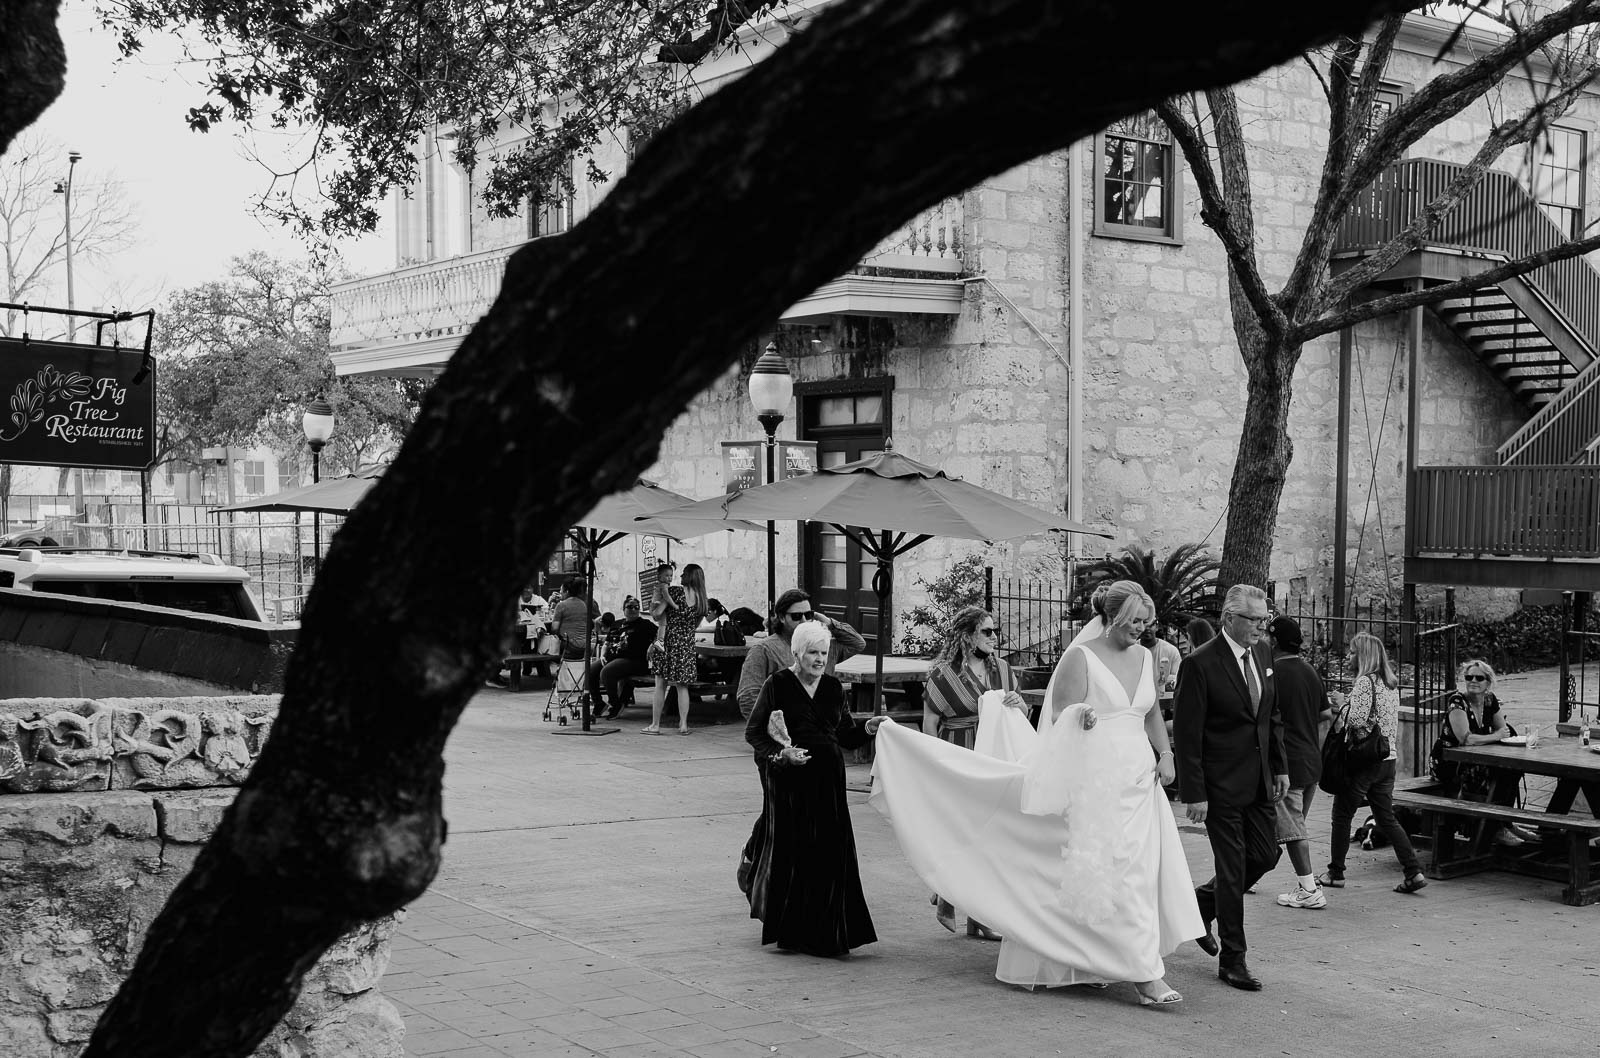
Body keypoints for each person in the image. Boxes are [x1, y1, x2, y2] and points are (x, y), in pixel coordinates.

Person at [868, 579, 1203, 1006]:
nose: (1141, 629)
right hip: (1094, 781)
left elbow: (1151, 710)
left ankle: (1096, 959)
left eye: (1146, 623)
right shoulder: (1080, 657)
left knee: (1134, 872)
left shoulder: (1143, 656)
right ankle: (1145, 974)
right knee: (1113, 870)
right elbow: (1058, 713)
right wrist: (1081, 717)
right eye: (1134, 621)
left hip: (1139, 781)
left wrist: (1166, 753)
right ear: (1112, 618)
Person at [743, 620, 886, 956]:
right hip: (790, 784)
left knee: (830, 855)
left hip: (829, 783)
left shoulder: (834, 689)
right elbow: (755, 733)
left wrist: (868, 728)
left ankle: (830, 935)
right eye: (813, 653)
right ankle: (793, 933)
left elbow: (846, 735)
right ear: (797, 653)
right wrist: (782, 754)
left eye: (824, 653)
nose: (820, 660)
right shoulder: (777, 684)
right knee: (794, 855)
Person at [1173, 583, 1287, 992]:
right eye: (1253, 620)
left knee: (1266, 853)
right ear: (1229, 619)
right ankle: (1233, 960)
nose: (1261, 627)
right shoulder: (1200, 664)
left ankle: (1201, 904)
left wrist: (1279, 766)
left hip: (1258, 779)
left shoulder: (1263, 653)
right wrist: (1195, 792)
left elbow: (1270, 715)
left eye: (1263, 620)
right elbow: (1188, 734)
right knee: (1233, 866)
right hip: (1219, 785)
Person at [922, 605, 1030, 939]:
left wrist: (1017, 703)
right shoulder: (944, 674)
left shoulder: (1002, 669)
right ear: (968, 636)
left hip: (995, 758)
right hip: (960, 753)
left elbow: (1023, 712)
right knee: (964, 833)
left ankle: (979, 913)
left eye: (994, 631)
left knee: (992, 835)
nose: (995, 637)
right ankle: (957, 900)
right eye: (987, 631)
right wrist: (936, 762)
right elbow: (930, 722)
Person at [1319, 632, 1428, 895]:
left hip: (1365, 762)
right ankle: (1413, 871)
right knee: (1386, 817)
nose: (1348, 656)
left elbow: (1356, 722)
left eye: (1352, 651)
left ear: (1364, 656)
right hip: (1387, 759)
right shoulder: (1390, 684)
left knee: (1342, 815)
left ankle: (1336, 872)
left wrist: (1342, 703)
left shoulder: (1365, 683)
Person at [1429, 659, 1537, 846]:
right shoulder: (1457, 702)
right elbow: (1466, 739)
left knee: (1512, 771)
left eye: (1479, 678)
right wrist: (1495, 736)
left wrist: (1498, 734)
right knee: (1498, 775)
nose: (1473, 681)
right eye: (1469, 677)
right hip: (1450, 763)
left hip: (1477, 759)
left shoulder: (1489, 699)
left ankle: (1504, 824)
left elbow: (1505, 731)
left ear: (1488, 682)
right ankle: (1494, 828)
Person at [1268, 616, 1332, 911]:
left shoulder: (1272, 674)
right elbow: (1325, 715)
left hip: (1285, 763)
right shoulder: (1310, 672)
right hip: (1310, 761)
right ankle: (1246, 875)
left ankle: (1309, 888)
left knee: (1293, 830)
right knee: (1286, 825)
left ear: (1273, 640)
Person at [736, 589, 866, 720]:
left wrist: (830, 623)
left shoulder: (824, 645)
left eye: (808, 615)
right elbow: (748, 697)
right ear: (781, 617)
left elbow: (857, 643)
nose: (804, 621)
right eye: (796, 616)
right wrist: (777, 729)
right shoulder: (764, 650)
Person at [647, 563, 707, 734]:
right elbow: (694, 625)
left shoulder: (674, 592)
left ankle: (655, 725)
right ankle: (683, 725)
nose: (679, 577)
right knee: (682, 686)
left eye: (683, 574)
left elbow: (657, 614)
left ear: (689, 576)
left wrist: (655, 605)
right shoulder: (702, 600)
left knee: (660, 683)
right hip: (686, 644)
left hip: (668, 641)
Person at [588, 596, 657, 718]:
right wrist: (603, 655)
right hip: (612, 657)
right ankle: (599, 703)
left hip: (634, 660)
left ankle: (616, 704)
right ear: (623, 609)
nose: (633, 610)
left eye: (636, 607)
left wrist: (652, 645)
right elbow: (607, 643)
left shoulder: (645, 624)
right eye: (630, 607)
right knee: (591, 670)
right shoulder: (617, 624)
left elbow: (661, 635)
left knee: (606, 672)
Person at [548, 577, 600, 660]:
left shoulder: (561, 605)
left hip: (570, 645)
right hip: (585, 644)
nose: (560, 593)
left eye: (561, 591)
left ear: (567, 591)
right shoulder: (583, 604)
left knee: (545, 644)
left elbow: (554, 629)